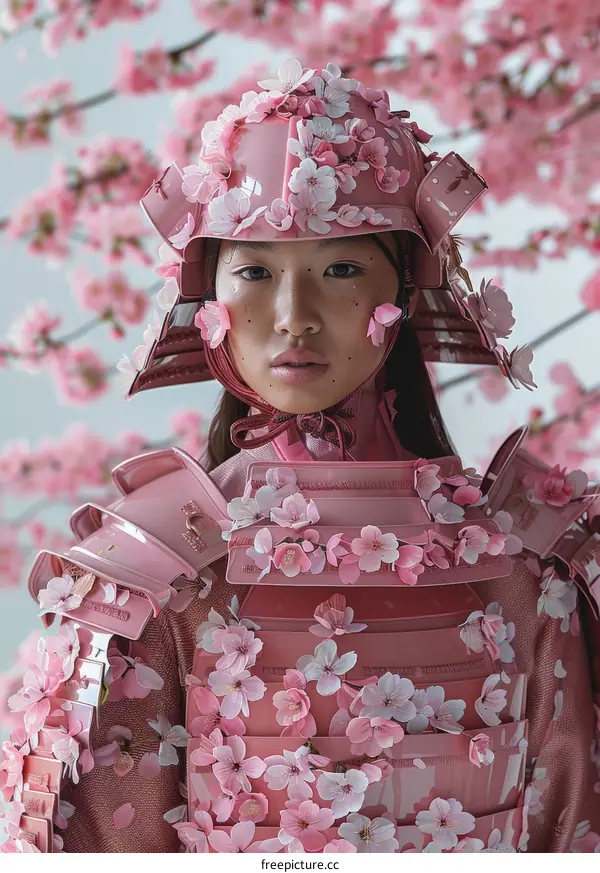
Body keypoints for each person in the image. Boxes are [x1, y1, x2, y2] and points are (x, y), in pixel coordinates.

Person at [2, 57, 599, 854]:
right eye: (254, 271)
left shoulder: (537, 559)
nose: (294, 316)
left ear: (407, 287)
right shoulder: (152, 569)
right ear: (209, 300)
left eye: (342, 267)